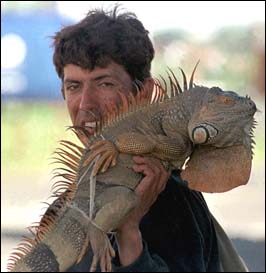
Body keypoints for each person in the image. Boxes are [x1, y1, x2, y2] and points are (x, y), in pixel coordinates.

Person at [52, 6, 246, 272]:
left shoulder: (169, 200)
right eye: (74, 86)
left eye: (105, 83)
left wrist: (129, 234)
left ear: (143, 92)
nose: (86, 104)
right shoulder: (76, 198)